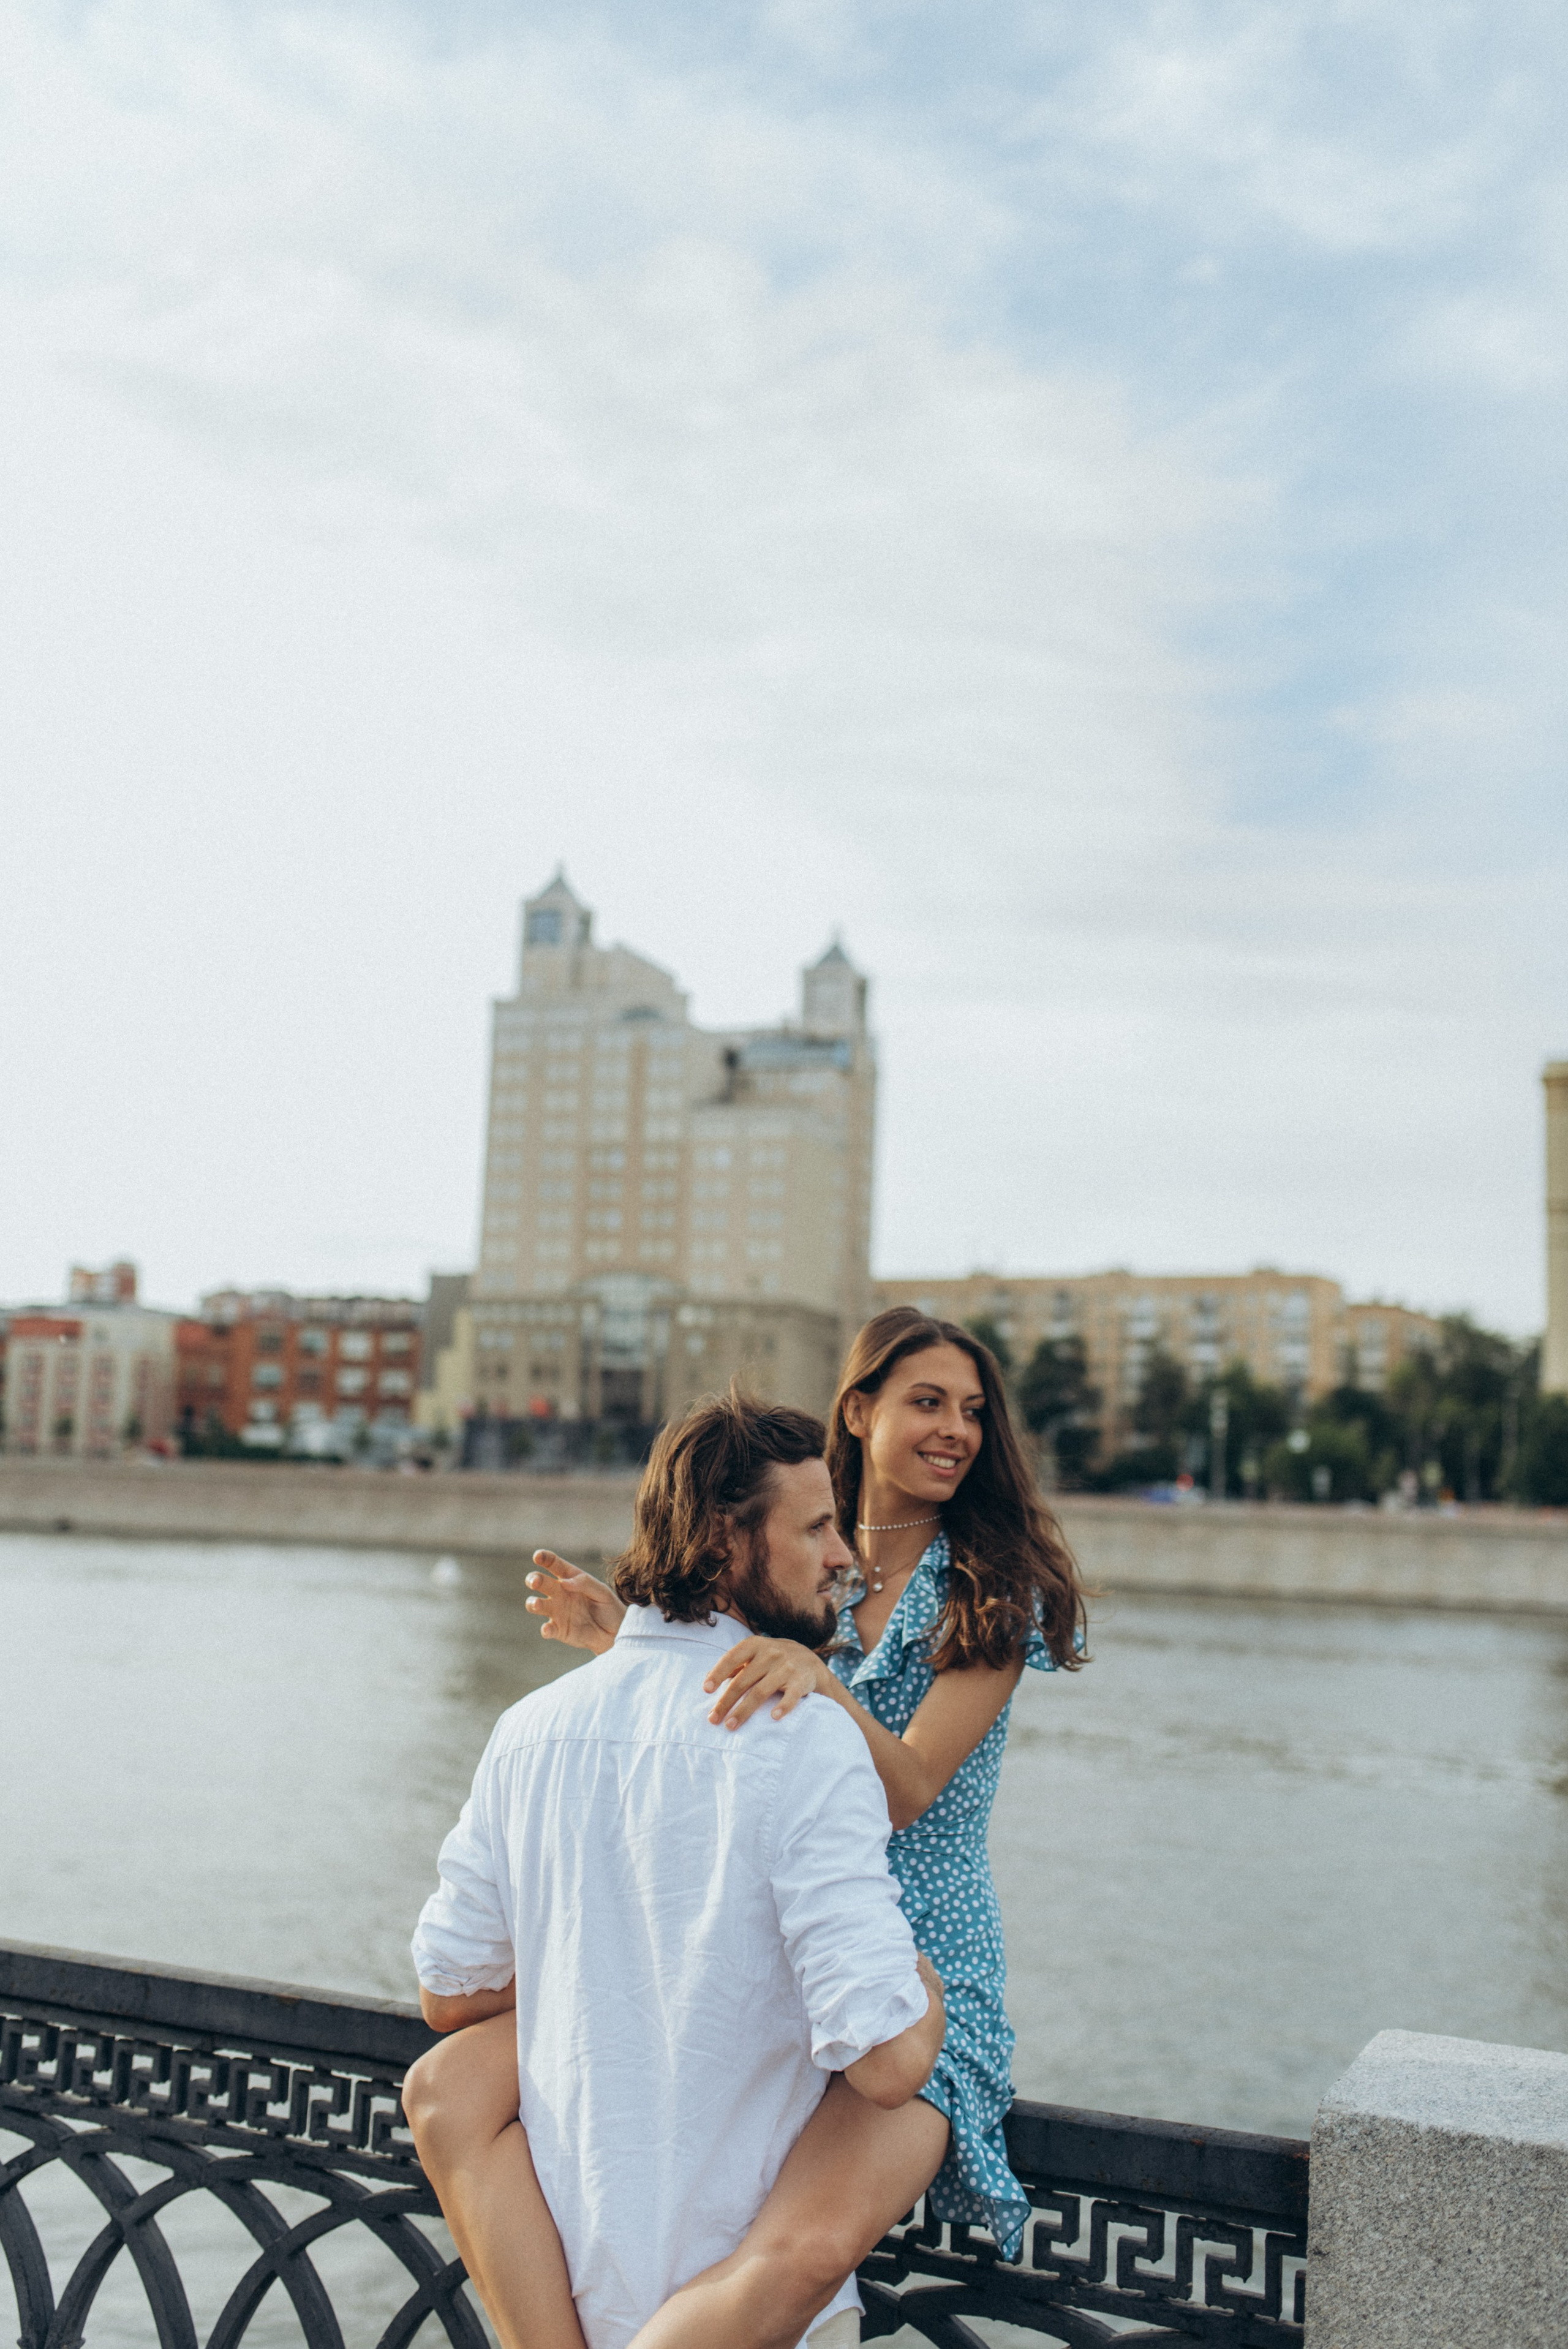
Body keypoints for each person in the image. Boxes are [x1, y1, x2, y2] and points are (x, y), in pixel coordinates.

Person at [527, 1306, 1087, 2261]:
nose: (957, 1428)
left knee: (783, 2256)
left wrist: (822, 1679)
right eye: (927, 1401)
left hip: (921, 1975)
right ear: (859, 1411)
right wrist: (626, 1636)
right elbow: (727, 1704)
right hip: (768, 1949)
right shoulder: (801, 1553)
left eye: (974, 1410)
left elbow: (907, 1789)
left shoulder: (992, 1586)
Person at [404, 1390, 950, 2349]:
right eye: (818, 1526)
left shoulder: (530, 1731)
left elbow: (451, 1995)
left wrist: (607, 1963)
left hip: (567, 2299)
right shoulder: (805, 1738)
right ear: (719, 1542)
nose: (844, 1556)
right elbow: (888, 2060)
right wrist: (929, 1982)